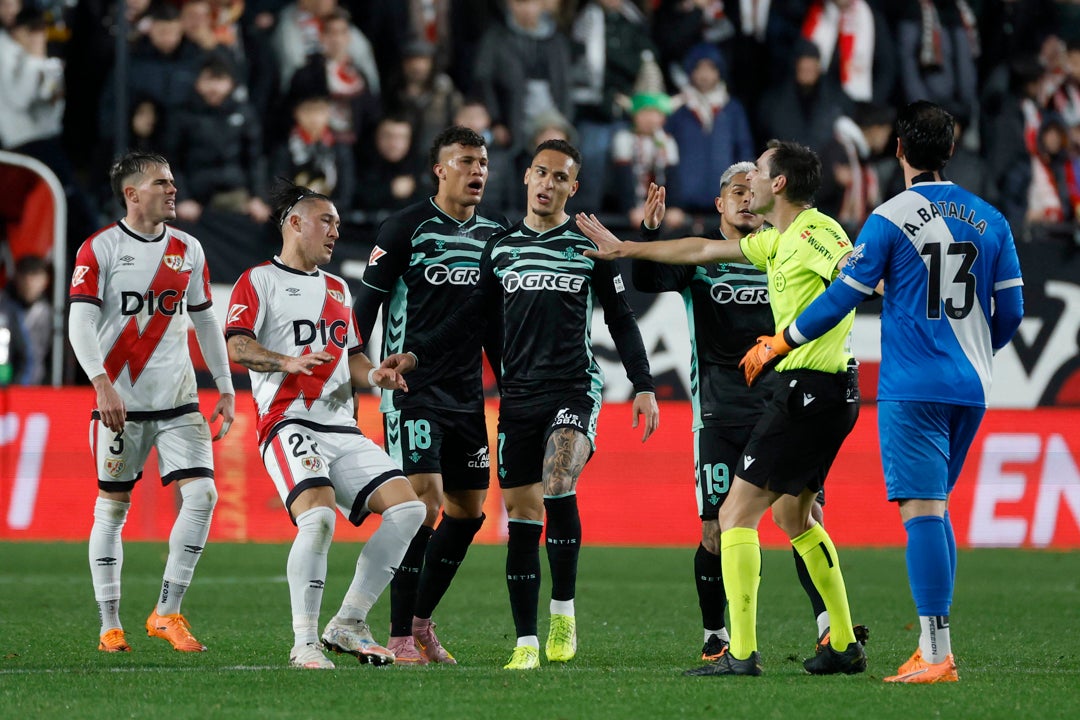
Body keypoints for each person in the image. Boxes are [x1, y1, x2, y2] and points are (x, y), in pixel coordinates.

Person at [577, 139, 865, 677]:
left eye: (757, 171)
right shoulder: (777, 241)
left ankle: (740, 655)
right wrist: (628, 248)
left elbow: (855, 275)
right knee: (792, 514)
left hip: (806, 389)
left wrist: (784, 340)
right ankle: (842, 641)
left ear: (776, 183)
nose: (750, 180)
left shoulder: (815, 232)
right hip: (810, 392)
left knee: (736, 516)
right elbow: (700, 252)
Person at [765, 101, 1024, 683]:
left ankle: (935, 654)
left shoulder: (888, 218)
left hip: (913, 388)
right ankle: (937, 647)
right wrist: (976, 352)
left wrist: (782, 341)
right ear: (951, 150)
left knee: (922, 512)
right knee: (937, 510)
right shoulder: (992, 219)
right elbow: (1010, 312)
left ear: (899, 150)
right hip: (973, 386)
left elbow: (841, 298)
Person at [382, 139, 660, 670]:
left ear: (572, 188)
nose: (548, 184)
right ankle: (527, 644)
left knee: (558, 481)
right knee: (522, 515)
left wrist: (642, 383)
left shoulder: (587, 244)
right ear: (529, 178)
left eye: (560, 177)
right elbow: (469, 318)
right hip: (518, 397)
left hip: (574, 387)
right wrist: (415, 356)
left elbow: (621, 319)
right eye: (541, 173)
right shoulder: (502, 247)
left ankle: (563, 612)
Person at [224, 182, 425, 669]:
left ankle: (350, 621)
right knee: (318, 519)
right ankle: (304, 643)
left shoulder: (337, 288)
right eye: (326, 221)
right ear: (294, 223)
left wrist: (375, 374)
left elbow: (352, 358)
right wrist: (283, 362)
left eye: (337, 222)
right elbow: (237, 347)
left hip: (342, 426)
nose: (336, 231)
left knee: (410, 511)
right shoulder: (257, 281)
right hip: (288, 420)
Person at [67, 151, 236, 654]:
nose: (172, 190)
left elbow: (206, 320)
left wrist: (225, 386)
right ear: (132, 194)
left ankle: (167, 612)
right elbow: (79, 322)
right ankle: (109, 624)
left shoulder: (188, 247)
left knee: (203, 496)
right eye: (161, 183)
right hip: (121, 403)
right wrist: (101, 383)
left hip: (180, 402)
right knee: (113, 510)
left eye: (173, 181)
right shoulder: (98, 249)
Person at [352, 125, 506, 664]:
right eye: (465, 161)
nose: (477, 171)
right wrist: (362, 370)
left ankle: (419, 623)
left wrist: (508, 386)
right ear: (439, 170)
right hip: (410, 387)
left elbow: (492, 323)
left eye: (482, 162)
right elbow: (363, 308)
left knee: (468, 510)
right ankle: (395, 636)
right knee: (423, 502)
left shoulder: (496, 234)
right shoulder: (404, 228)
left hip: (468, 393)